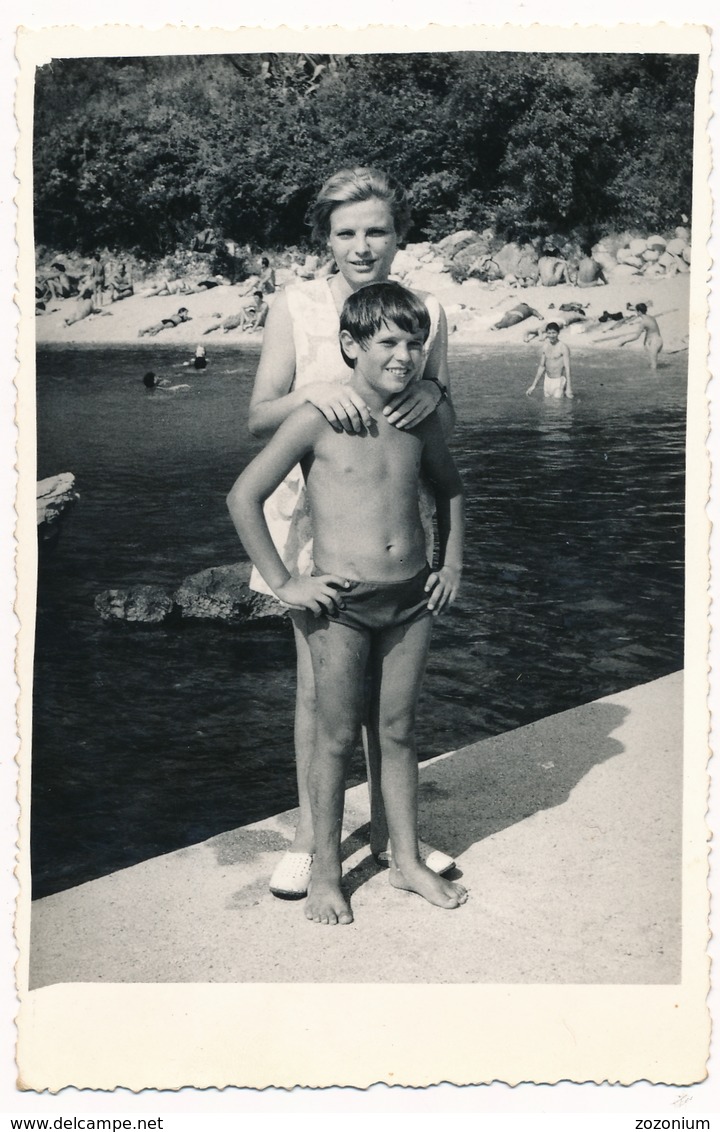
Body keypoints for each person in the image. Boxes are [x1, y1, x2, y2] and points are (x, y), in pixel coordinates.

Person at [228, 282, 468, 924]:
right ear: (349, 346)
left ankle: (406, 861)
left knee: (398, 731)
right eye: (388, 342)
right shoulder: (319, 418)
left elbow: (449, 489)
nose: (405, 355)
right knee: (334, 740)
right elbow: (242, 498)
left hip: (411, 598)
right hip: (340, 606)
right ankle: (328, 875)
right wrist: (286, 584)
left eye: (416, 344)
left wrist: (451, 562)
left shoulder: (419, 417)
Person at [526, 323, 574, 399]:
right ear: (546, 334)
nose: (551, 335)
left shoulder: (563, 347)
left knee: (557, 404)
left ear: (558, 333)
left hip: (558, 381)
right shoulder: (545, 346)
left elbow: (567, 369)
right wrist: (533, 385)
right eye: (549, 333)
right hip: (547, 381)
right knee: (548, 405)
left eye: (554, 333)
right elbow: (541, 367)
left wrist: (569, 388)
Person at [612, 303, 663, 370]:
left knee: (653, 367)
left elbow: (636, 337)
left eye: (636, 311)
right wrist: (645, 343)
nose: (636, 312)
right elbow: (651, 330)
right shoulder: (652, 317)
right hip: (659, 340)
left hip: (654, 342)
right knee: (653, 366)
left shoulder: (643, 322)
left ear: (639, 312)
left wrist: (624, 342)